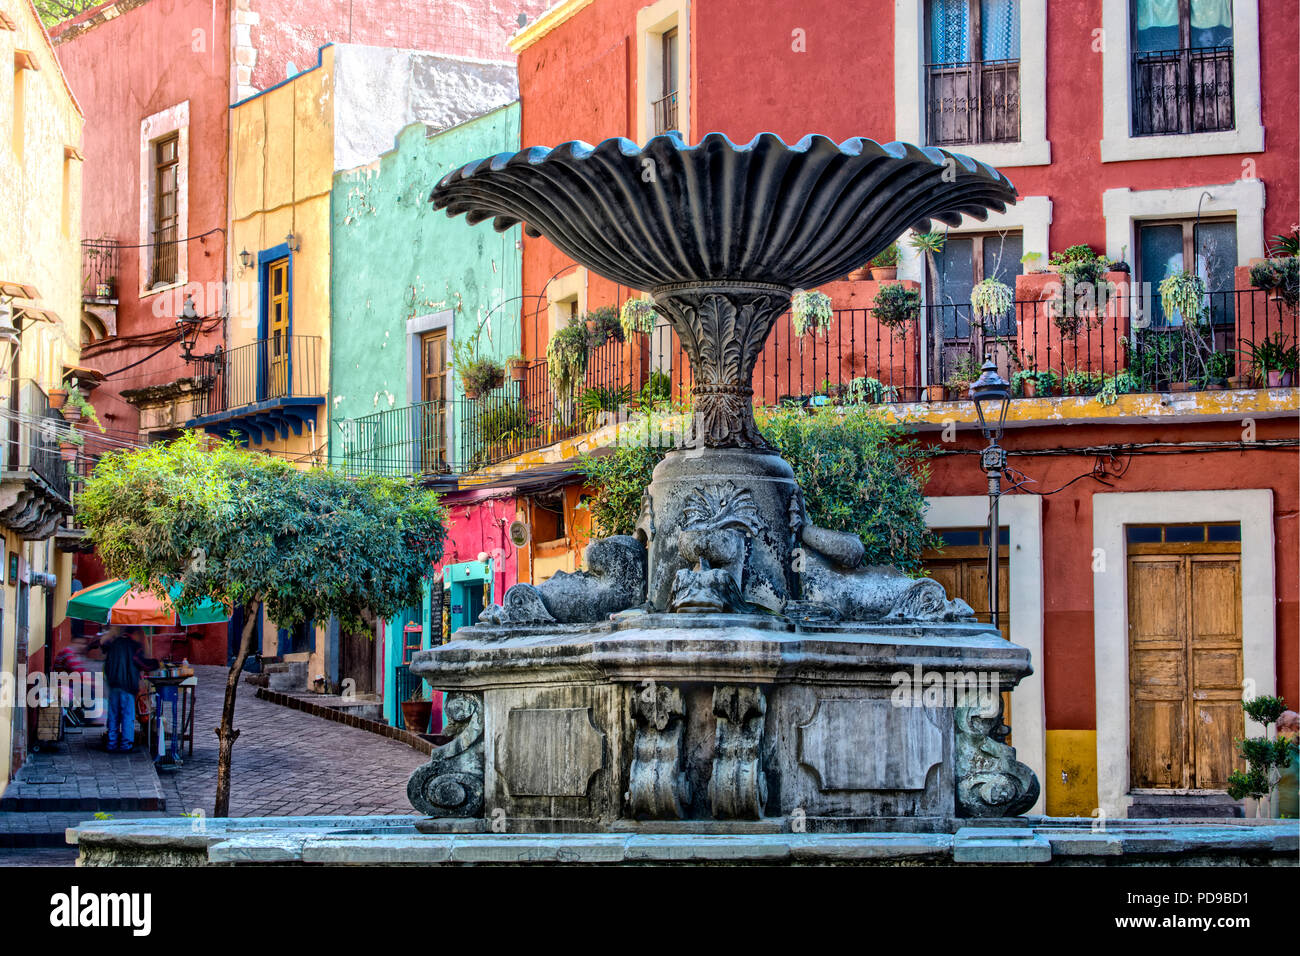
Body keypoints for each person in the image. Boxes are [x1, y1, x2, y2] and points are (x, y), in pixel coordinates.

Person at [99, 627, 157, 753]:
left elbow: (104, 653)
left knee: (113, 715)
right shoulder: (134, 646)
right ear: (134, 633)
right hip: (127, 686)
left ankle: (112, 743)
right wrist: (156, 663)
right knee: (127, 716)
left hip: (113, 685)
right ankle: (126, 745)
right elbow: (142, 664)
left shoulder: (114, 644)